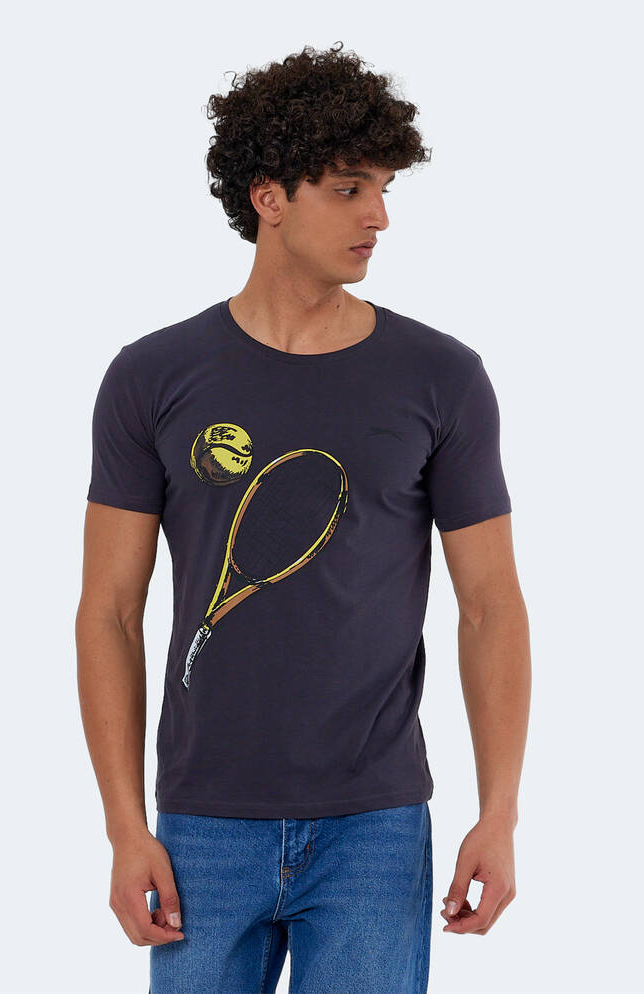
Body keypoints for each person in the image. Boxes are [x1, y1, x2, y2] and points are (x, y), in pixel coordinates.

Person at [76, 41, 531, 994]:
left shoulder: (441, 377)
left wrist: (499, 813)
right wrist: (124, 827)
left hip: (375, 826)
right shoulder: (150, 377)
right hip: (200, 827)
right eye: (348, 189)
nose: (379, 217)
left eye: (385, 189)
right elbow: (109, 611)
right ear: (268, 197)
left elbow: (490, 605)